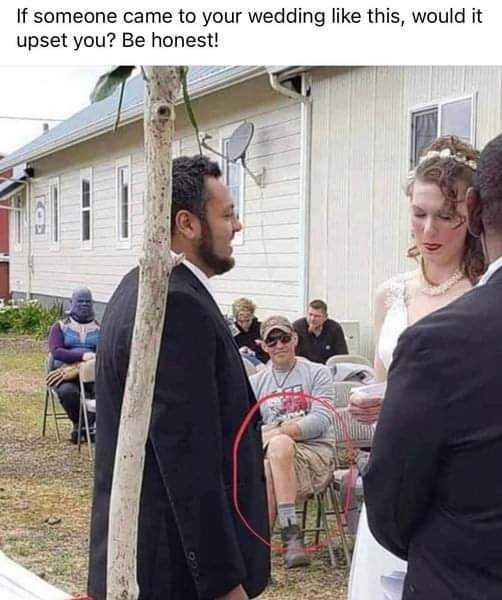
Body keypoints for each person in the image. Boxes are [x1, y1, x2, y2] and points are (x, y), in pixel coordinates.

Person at [88, 156, 270, 600]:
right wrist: (225, 585)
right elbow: (189, 465)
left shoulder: (142, 286)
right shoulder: (173, 306)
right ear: (187, 223)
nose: (238, 225)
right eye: (226, 214)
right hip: (172, 575)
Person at [363, 134, 502, 599]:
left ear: (474, 214)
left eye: (446, 217)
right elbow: (385, 393)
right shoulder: (390, 295)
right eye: (419, 214)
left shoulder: (479, 304)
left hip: (451, 519)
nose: (429, 231)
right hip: (395, 479)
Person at [250, 315, 335, 569]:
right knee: (268, 464)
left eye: (284, 338)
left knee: (278, 446)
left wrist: (276, 431)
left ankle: (265, 549)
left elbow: (321, 420)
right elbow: (246, 428)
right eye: (271, 340)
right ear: (263, 346)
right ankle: (283, 544)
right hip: (275, 461)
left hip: (315, 454)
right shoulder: (255, 383)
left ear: (295, 339)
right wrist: (275, 435)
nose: (279, 345)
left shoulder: (317, 373)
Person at [47, 286, 100, 443]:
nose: (84, 305)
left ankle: (84, 427)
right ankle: (82, 424)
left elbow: (103, 354)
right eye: (80, 301)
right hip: (64, 373)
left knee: (105, 392)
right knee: (67, 393)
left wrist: (84, 366)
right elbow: (56, 351)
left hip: (91, 374)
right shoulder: (60, 327)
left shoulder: (99, 328)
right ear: (72, 303)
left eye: (87, 302)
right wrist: (83, 356)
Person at [293, 299, 348, 364]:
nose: (312, 319)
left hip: (326, 368)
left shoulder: (334, 329)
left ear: (325, 317)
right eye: (310, 315)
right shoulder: (297, 327)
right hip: (304, 368)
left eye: (317, 316)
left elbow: (342, 356)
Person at [231, 297, 268, 365]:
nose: (244, 325)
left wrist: (263, 345)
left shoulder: (262, 328)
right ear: (236, 318)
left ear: (252, 316)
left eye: (247, 320)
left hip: (264, 363)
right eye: (241, 321)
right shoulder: (232, 332)